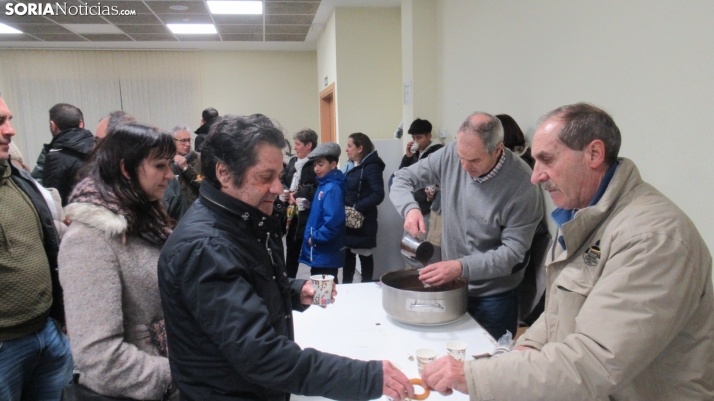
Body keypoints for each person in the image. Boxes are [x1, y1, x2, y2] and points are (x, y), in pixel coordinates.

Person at [421, 103, 714, 400]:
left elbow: (594, 362)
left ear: (594, 154)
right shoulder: (582, 215)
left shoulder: (653, 240)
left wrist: (473, 376)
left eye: (547, 160)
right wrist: (525, 349)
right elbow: (559, 312)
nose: (536, 176)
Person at [158, 115, 413, 401]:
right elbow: (261, 355)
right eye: (266, 177)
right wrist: (366, 377)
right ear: (224, 174)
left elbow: (243, 282)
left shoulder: (241, 220)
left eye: (278, 176)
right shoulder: (205, 247)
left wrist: (291, 289)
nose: (278, 188)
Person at [390, 112, 543, 340]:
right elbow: (401, 178)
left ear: (498, 148)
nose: (464, 167)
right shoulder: (451, 155)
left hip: (494, 296)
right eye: (461, 156)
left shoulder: (522, 185)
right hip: (453, 288)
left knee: (490, 364)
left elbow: (512, 255)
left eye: (474, 160)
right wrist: (410, 209)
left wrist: (460, 267)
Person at [58, 123, 177, 399]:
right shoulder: (89, 240)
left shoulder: (147, 219)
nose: (170, 174)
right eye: (160, 165)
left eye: (169, 164)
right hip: (133, 390)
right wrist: (177, 373)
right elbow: (98, 355)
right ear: (126, 169)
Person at [0, 94, 74, 401]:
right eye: (0, 122)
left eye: (8, 119)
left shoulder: (19, 180)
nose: (10, 130)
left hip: (46, 332)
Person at [298, 142, 346, 281]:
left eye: (321, 164)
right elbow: (325, 209)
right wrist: (310, 205)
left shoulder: (332, 188)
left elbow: (333, 221)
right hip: (321, 250)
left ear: (333, 164)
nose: (316, 169)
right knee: (320, 282)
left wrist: (316, 238)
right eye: (315, 165)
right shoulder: (324, 184)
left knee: (325, 286)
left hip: (325, 249)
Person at [342, 132, 385, 283]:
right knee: (348, 255)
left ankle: (366, 287)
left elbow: (378, 194)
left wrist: (356, 207)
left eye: (349, 146)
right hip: (349, 221)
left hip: (363, 221)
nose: (346, 149)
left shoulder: (372, 167)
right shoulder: (351, 166)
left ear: (360, 148)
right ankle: (346, 288)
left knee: (365, 255)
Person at [281, 128, 318, 278]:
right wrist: (285, 191)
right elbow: (283, 180)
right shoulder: (292, 162)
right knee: (291, 252)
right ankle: (290, 283)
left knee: (312, 254)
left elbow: (316, 187)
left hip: (308, 216)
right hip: (292, 215)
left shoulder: (316, 164)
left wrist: (297, 195)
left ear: (309, 145)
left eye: (297, 144)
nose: (294, 148)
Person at [42, 103, 95, 205]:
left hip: (71, 217)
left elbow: (53, 202)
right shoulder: (99, 147)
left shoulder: (56, 157)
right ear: (81, 124)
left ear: (53, 126)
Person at [399, 118, 444, 215]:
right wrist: (408, 157)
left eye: (419, 138)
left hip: (429, 206)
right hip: (413, 204)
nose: (415, 141)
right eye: (413, 138)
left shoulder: (438, 152)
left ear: (429, 136)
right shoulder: (414, 153)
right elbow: (402, 174)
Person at [170, 125, 202, 206]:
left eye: (189, 140)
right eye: (183, 141)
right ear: (173, 141)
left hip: (194, 207)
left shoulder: (199, 159)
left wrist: (186, 168)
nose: (187, 144)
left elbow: (203, 182)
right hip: (174, 210)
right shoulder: (166, 161)